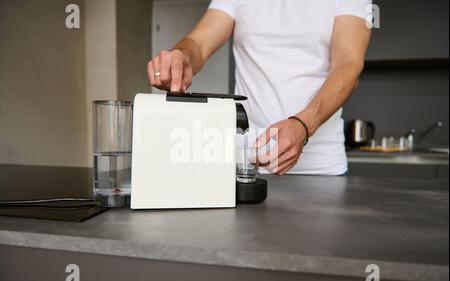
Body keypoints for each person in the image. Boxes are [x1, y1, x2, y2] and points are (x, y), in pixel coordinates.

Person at [147, 0, 372, 175]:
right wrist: (182, 57)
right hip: (246, 166)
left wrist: (302, 125)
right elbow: (198, 43)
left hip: (321, 168)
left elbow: (348, 64)